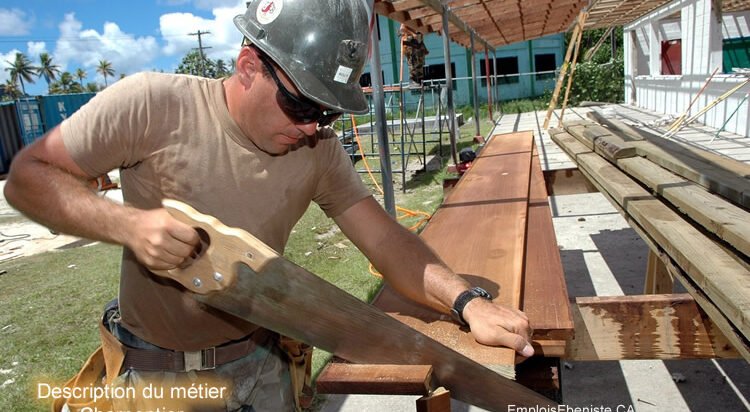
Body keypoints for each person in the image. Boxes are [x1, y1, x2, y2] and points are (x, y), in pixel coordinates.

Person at [4, 1, 532, 411]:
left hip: (263, 363)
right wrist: (128, 225)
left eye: (324, 113)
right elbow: (28, 177)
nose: (310, 128)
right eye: (302, 104)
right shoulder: (151, 105)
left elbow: (386, 241)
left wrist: (468, 303)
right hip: (158, 374)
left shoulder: (318, 150)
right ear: (248, 65)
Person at [400, 24, 429, 88]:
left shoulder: (418, 21)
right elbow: (402, 28)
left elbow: (420, 36)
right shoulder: (407, 19)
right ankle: (412, 81)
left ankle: (420, 81)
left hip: (418, 43)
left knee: (420, 62)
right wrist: (412, 33)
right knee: (412, 62)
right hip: (410, 42)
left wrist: (423, 48)